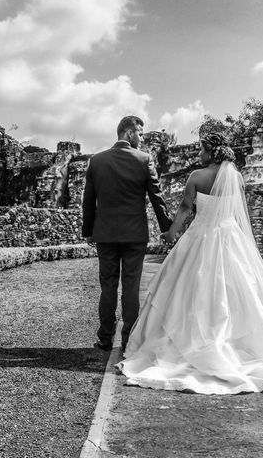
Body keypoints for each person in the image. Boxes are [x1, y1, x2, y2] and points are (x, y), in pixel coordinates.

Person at [116, 133, 263, 394]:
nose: (199, 154)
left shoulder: (196, 177)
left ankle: (187, 344)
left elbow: (186, 209)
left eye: (201, 150)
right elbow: (237, 213)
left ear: (210, 152)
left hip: (200, 237)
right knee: (236, 291)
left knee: (187, 289)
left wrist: (171, 233)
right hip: (230, 238)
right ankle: (238, 345)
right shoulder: (237, 177)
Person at [82, 115, 172, 353]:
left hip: (105, 234)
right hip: (134, 235)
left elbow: (88, 200)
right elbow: (157, 197)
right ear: (129, 132)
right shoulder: (144, 160)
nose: (141, 139)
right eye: (140, 133)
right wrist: (167, 229)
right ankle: (129, 340)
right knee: (131, 287)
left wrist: (88, 231)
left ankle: (105, 337)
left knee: (108, 286)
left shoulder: (97, 161)